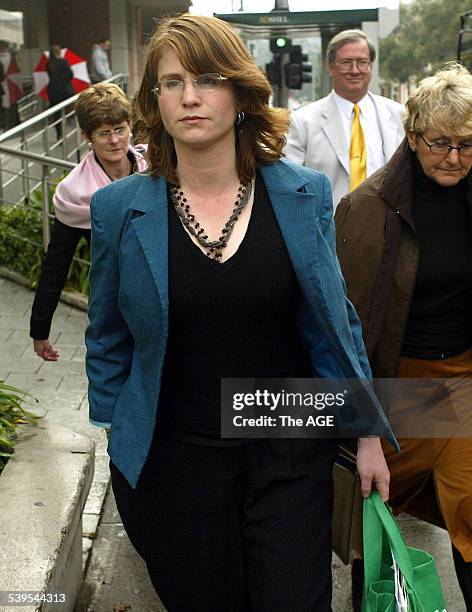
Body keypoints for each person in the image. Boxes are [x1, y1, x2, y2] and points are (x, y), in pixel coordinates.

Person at [85, 13, 396, 611]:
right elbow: (107, 334)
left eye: (207, 79)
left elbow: (334, 326)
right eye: (171, 83)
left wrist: (367, 434)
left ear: (241, 92)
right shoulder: (118, 209)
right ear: (155, 99)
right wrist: (118, 431)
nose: (190, 97)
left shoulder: (302, 195)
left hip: (287, 449)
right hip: (174, 462)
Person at [335, 63, 472, 611]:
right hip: (400, 391)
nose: (455, 157)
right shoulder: (367, 211)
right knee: (376, 529)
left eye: (467, 144)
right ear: (412, 136)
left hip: (462, 381)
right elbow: (346, 328)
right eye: (440, 143)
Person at [30, 82, 146, 361]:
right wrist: (40, 329)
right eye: (104, 133)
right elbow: (57, 262)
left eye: (120, 130)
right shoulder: (76, 192)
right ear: (87, 137)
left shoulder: (154, 167)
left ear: (130, 125)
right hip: (113, 308)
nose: (115, 140)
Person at [284, 29, 405, 210]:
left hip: (386, 229)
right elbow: (289, 183)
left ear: (371, 66)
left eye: (362, 62)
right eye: (346, 62)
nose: (355, 70)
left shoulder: (398, 115)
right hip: (328, 229)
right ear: (330, 66)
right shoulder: (302, 121)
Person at [46, 44, 74, 139]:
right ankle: (65, 124)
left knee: (56, 113)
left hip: (53, 91)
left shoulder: (49, 64)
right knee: (65, 110)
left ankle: (59, 134)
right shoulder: (63, 62)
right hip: (64, 91)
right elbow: (70, 74)